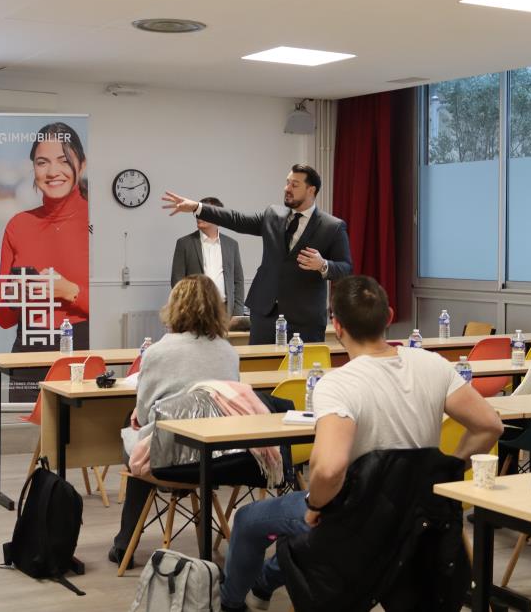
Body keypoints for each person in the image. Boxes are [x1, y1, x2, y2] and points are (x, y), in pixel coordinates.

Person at [218, 275, 504, 611]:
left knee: (250, 519)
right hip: (421, 510)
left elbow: (329, 468)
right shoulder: (431, 364)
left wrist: (316, 507)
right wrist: (446, 468)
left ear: (336, 326)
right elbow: (489, 425)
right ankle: (265, 586)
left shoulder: (339, 384)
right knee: (304, 538)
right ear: (389, 316)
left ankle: (232, 604)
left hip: (357, 516)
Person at [108, 274, 242, 566]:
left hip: (168, 459)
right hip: (218, 458)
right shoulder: (229, 353)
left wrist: (141, 414)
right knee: (149, 435)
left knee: (139, 439)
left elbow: (143, 416)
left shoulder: (157, 352)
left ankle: (124, 544)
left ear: (176, 307)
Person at [162, 165, 352, 344]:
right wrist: (197, 207)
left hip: (305, 318)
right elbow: (237, 219)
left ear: (311, 190)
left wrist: (323, 265)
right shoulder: (273, 214)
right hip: (264, 313)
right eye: (287, 182)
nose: (287, 188)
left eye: (295, 185)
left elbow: (345, 268)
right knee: (261, 366)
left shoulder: (332, 227)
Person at [0, 122, 89, 402]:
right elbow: (1, 317)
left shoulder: (97, 222)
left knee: (80, 439)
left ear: (81, 165)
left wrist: (68, 291)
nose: (52, 171)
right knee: (23, 438)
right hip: (29, 350)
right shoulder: (18, 225)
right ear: (33, 169)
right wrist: (17, 297)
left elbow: (112, 302)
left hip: (81, 348)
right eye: (42, 162)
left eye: (63, 160)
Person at [170, 196, 245, 317]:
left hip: (225, 311)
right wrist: (185, 312)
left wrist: (237, 314)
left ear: (218, 217)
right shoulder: (184, 243)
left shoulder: (232, 245)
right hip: (194, 311)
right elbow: (177, 282)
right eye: (197, 212)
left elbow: (238, 281)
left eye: (204, 212)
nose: (199, 216)